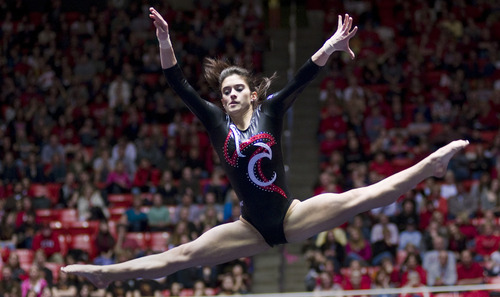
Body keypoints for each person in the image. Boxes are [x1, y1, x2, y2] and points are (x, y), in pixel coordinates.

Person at [62, 7, 469, 288]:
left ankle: (431, 165)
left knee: (365, 197)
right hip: (249, 228)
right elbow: (178, 84)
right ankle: (107, 275)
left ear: (253, 94)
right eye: (226, 91)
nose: (232, 94)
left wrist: (330, 45)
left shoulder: (271, 111)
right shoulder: (215, 121)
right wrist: (165, 39)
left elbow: (302, 79)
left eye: (238, 88)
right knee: (179, 256)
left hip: (290, 216)